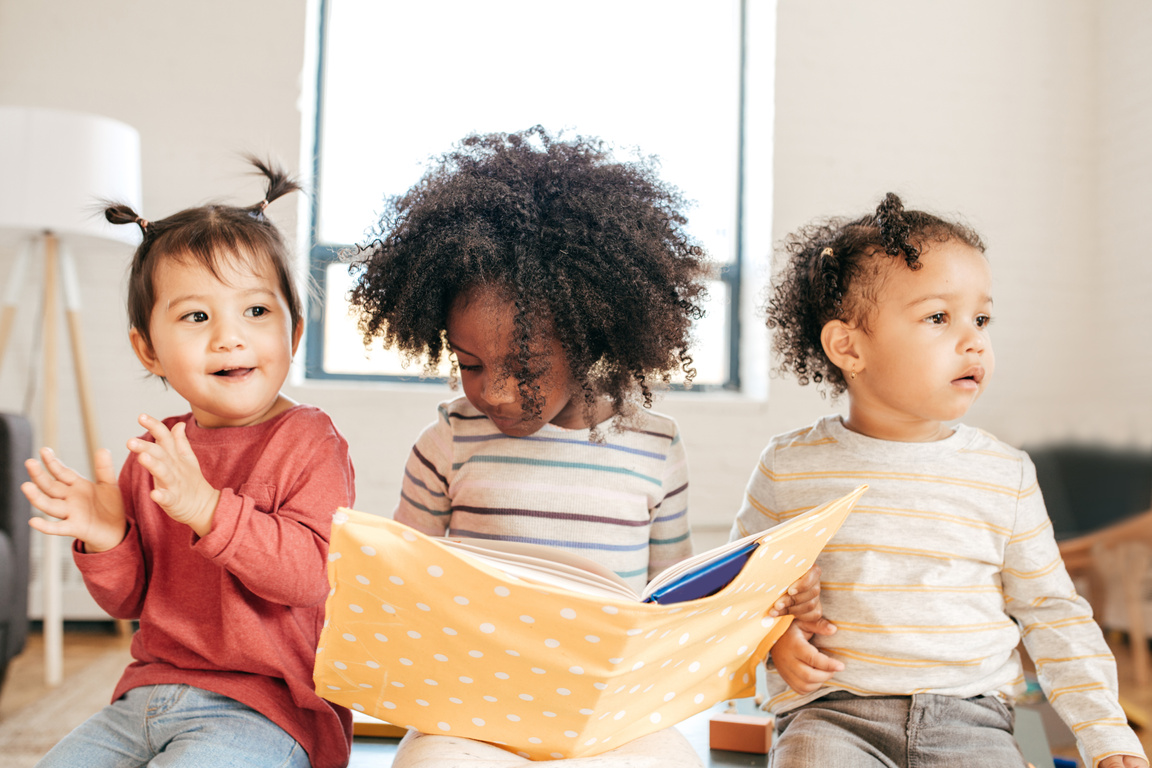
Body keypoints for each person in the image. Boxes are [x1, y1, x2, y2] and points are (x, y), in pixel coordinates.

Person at [347, 127, 821, 767]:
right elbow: (405, 591)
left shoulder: (656, 448)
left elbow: (668, 599)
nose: (498, 392)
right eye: (470, 364)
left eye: (526, 364)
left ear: (593, 337)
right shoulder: (448, 443)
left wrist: (752, 605)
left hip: (611, 716)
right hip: (473, 714)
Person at [730, 193, 1148, 768]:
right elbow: (734, 595)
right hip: (830, 717)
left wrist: (1107, 736)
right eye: (938, 317)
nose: (975, 340)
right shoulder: (788, 467)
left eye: (981, 318)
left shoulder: (1006, 474)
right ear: (848, 347)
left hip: (973, 720)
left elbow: (1053, 613)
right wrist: (776, 640)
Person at [21, 158, 355, 768]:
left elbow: (308, 576)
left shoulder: (311, 441)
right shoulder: (157, 453)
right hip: (142, 699)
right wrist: (107, 539)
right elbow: (131, 601)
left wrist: (206, 509)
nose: (229, 337)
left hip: (263, 709)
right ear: (147, 348)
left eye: (256, 312)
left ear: (294, 333)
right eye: (197, 316)